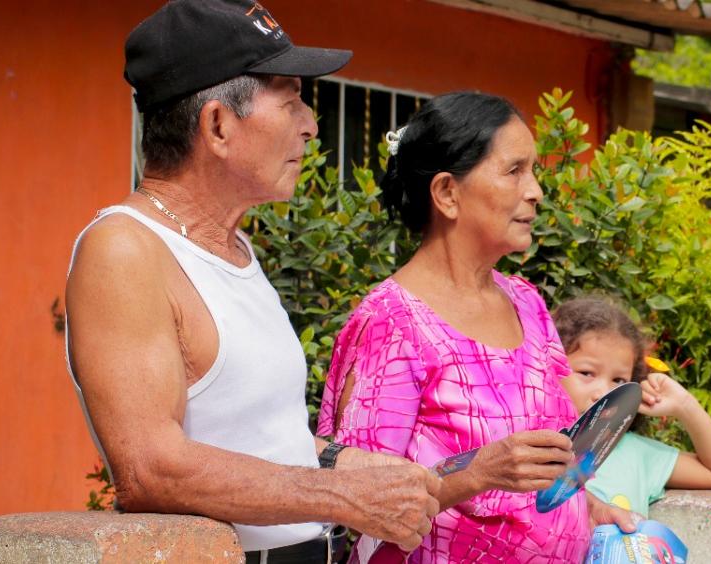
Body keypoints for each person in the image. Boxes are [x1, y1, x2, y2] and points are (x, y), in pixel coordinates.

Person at [65, 2, 439, 562]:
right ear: (217, 125)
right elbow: (149, 467)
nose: (311, 124)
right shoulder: (124, 250)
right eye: (290, 102)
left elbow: (250, 434)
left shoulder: (232, 246)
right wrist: (339, 494)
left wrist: (351, 465)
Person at [317, 92, 634, 563]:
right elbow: (359, 503)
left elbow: (552, 457)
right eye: (514, 171)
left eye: (534, 171)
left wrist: (588, 506)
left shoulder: (526, 302)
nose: (535, 192)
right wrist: (478, 474)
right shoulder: (393, 323)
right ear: (447, 193)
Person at [552, 295, 711, 517]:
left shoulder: (636, 453)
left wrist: (684, 404)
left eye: (619, 381)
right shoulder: (527, 447)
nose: (604, 393)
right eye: (587, 373)